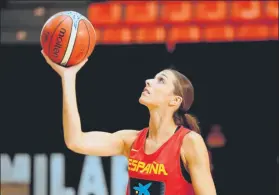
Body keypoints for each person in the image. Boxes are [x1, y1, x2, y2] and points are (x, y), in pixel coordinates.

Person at [41, 50, 216, 195]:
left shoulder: (189, 142)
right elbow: (75, 141)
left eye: (160, 80)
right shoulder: (131, 141)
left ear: (174, 101)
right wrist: (68, 78)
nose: (148, 81)